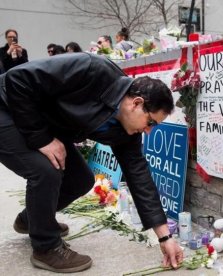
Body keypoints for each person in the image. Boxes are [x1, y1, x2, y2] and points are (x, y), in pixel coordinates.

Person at [0, 53, 183, 273]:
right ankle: (45, 247)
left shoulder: (127, 132)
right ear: (137, 103)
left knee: (80, 179)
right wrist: (42, 139)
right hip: (8, 106)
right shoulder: (91, 70)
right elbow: (17, 78)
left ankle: (32, 220)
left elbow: (139, 175)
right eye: (151, 122)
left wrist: (165, 237)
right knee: (47, 170)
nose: (148, 130)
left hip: (41, 122)